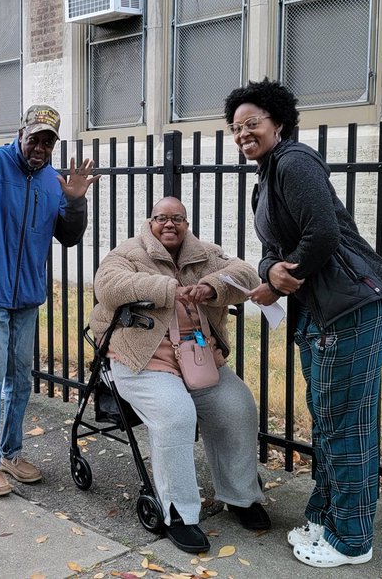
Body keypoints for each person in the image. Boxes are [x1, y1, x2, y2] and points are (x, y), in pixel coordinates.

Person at [226, 79, 382, 569]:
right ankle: (326, 516)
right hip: (321, 311)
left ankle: (351, 539)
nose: (243, 134)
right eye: (236, 128)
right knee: (329, 419)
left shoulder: (295, 162)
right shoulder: (267, 177)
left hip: (351, 306)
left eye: (252, 123)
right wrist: (267, 273)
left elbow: (321, 234)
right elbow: (272, 254)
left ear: (278, 122)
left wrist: (280, 282)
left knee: (346, 424)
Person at [90, 197, 268, 554]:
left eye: (178, 219)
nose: (169, 225)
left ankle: (241, 496)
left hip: (200, 360)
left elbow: (247, 274)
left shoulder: (204, 253)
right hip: (142, 362)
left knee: (238, 406)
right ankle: (178, 513)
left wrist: (213, 286)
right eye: (161, 218)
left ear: (186, 223)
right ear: (150, 221)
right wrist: (166, 289)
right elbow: (107, 286)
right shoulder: (128, 252)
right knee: (176, 414)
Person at [0, 104, 98, 497]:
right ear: (21, 133)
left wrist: (76, 201)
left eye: (48, 140)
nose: (40, 146)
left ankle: (11, 452)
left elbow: (67, 236)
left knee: (19, 378)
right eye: (34, 138)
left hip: (28, 296)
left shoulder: (51, 180)